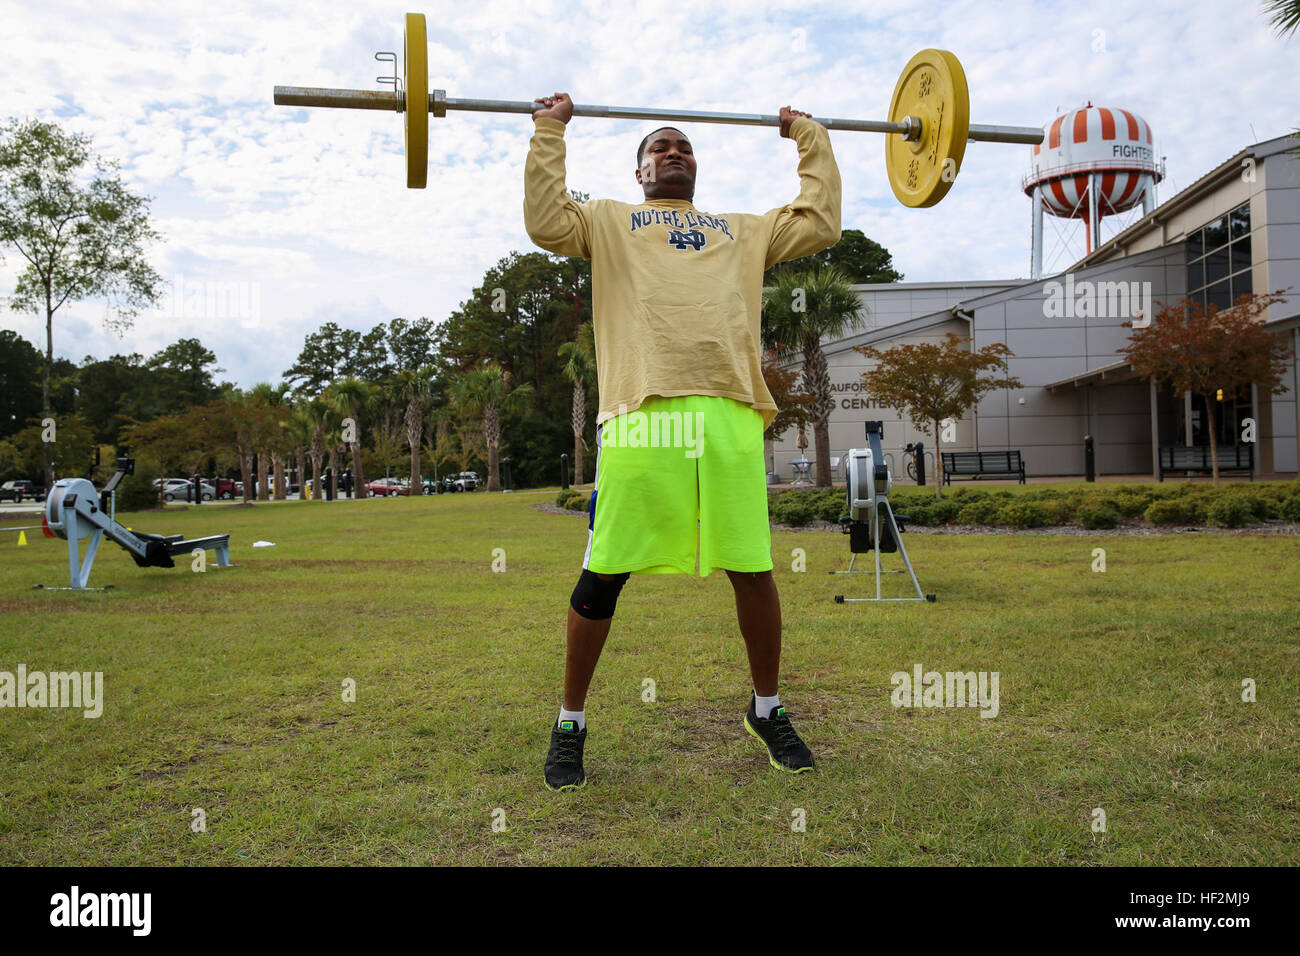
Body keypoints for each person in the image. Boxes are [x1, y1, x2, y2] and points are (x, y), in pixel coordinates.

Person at [524, 92, 842, 792]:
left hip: (728, 412)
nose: (673, 152)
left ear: (696, 166)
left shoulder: (742, 230)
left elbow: (819, 221)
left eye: (684, 146)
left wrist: (807, 135)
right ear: (640, 172)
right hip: (643, 413)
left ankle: (767, 708)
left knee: (752, 567)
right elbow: (546, 221)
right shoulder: (608, 220)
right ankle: (570, 721)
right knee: (604, 571)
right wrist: (550, 129)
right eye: (659, 148)